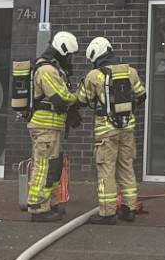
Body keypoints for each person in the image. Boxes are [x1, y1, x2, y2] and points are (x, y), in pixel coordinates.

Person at [79, 37, 147, 225]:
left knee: (106, 169)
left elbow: (83, 99)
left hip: (105, 132)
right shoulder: (130, 72)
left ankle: (107, 213)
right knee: (126, 167)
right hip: (127, 128)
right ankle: (129, 209)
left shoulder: (93, 76)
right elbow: (142, 95)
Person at [25, 31, 80, 221]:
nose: (70, 59)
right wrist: (78, 98)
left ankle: (48, 204)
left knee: (53, 167)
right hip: (44, 127)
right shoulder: (46, 70)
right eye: (69, 55)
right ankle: (38, 208)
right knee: (44, 167)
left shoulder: (54, 69)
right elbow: (60, 96)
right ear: (62, 50)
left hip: (52, 127)